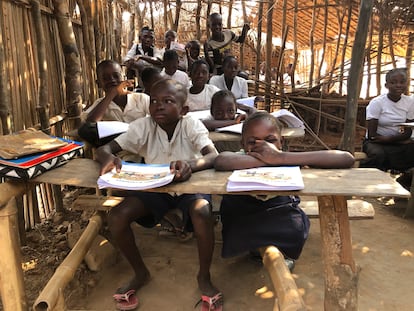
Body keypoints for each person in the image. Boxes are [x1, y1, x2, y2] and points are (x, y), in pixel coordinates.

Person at [95, 79, 222, 311]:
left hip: (189, 186)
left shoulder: (191, 125)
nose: (158, 106)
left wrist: (190, 166)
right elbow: (103, 149)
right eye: (153, 101)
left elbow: (213, 156)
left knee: (202, 211)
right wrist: (108, 158)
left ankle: (204, 277)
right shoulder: (143, 126)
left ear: (183, 110)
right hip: (156, 188)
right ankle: (140, 273)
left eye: (167, 101)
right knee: (117, 216)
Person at [214, 111, 355, 269]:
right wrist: (269, 161)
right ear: (242, 144)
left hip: (278, 209)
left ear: (281, 141)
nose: (263, 147)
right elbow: (221, 160)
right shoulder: (239, 157)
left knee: (294, 227)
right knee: (237, 224)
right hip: (245, 210)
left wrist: (280, 158)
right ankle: (255, 248)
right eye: (253, 142)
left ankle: (280, 251)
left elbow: (346, 158)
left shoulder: (285, 156)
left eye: (270, 141)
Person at [78, 60, 150, 148]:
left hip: (143, 149)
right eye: (105, 78)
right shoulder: (100, 105)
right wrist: (112, 93)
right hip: (117, 153)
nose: (112, 80)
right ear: (99, 84)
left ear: (123, 77)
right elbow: (90, 123)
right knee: (84, 130)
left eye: (116, 76)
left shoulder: (141, 98)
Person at [361, 68, 414, 179]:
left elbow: (408, 132)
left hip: (397, 141)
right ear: (386, 85)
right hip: (377, 142)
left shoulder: (409, 102)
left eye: (402, 82)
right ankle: (368, 181)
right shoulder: (377, 103)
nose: (398, 85)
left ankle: (404, 181)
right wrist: (392, 140)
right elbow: (372, 135)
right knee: (377, 155)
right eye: (393, 82)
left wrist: (392, 140)